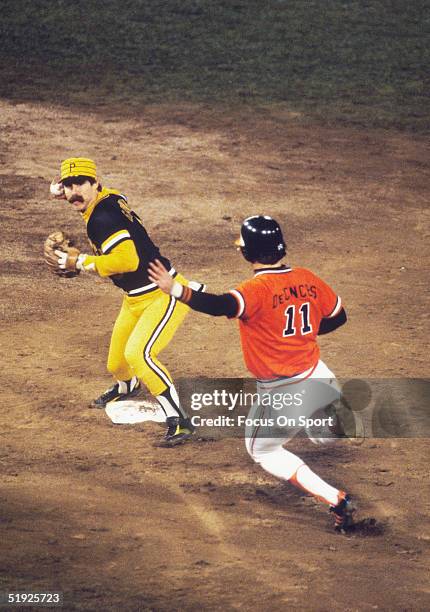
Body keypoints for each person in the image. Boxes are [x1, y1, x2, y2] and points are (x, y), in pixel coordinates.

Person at [148, 215, 356, 531]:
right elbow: (338, 317)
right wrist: (305, 331)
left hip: (283, 392)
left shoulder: (255, 290)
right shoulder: (308, 278)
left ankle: (334, 499)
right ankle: (330, 415)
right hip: (319, 374)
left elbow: (220, 305)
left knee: (262, 449)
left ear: (248, 253)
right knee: (323, 438)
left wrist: (176, 289)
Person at [49, 157, 203, 447]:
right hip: (134, 298)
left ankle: (180, 420)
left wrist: (79, 261)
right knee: (117, 363)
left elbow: (127, 261)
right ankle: (128, 386)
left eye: (80, 183)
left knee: (139, 355)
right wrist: (65, 194)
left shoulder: (101, 219)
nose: (74, 191)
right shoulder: (108, 198)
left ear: (95, 183)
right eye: (68, 186)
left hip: (163, 293)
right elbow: (90, 200)